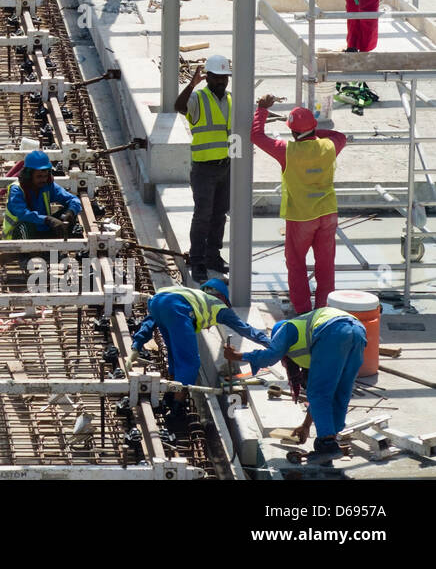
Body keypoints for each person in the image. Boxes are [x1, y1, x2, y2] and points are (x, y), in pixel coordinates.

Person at [226, 308, 365, 463]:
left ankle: (327, 445)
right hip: (357, 330)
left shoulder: (286, 329)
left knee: (319, 392)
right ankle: (331, 440)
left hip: (333, 331)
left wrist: (239, 356)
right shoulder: (309, 337)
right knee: (340, 390)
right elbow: (325, 394)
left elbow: (270, 356)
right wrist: (305, 426)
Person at [252, 96, 346, 313]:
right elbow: (338, 135)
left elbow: (256, 135)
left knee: (296, 264)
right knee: (325, 265)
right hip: (328, 213)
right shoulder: (330, 146)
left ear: (293, 132)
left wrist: (262, 109)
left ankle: (303, 311)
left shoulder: (287, 150)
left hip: (301, 216)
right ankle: (324, 310)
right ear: (313, 127)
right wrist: (314, 135)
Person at [129, 279, 271, 421]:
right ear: (222, 298)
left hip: (156, 303)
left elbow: (150, 320)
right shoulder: (218, 306)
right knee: (190, 364)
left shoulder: (189, 294)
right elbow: (245, 329)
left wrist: (137, 344)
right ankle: (176, 410)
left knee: (175, 356)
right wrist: (270, 343)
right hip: (176, 310)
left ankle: (168, 398)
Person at [175, 54, 233, 283]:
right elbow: (179, 107)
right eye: (217, 78)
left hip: (225, 167)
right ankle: (197, 260)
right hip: (204, 169)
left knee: (219, 215)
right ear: (208, 77)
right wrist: (191, 84)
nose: (221, 82)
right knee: (203, 216)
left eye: (224, 78)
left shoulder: (229, 99)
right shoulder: (198, 98)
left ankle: (213, 256)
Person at [1, 149, 82, 238]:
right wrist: (47, 219)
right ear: (28, 175)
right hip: (17, 235)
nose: (43, 180)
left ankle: (56, 245)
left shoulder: (47, 186)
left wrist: (70, 212)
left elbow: (73, 199)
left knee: (69, 211)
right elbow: (23, 214)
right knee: (27, 225)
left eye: (45, 176)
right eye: (39, 176)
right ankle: (31, 251)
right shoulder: (17, 190)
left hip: (41, 229)